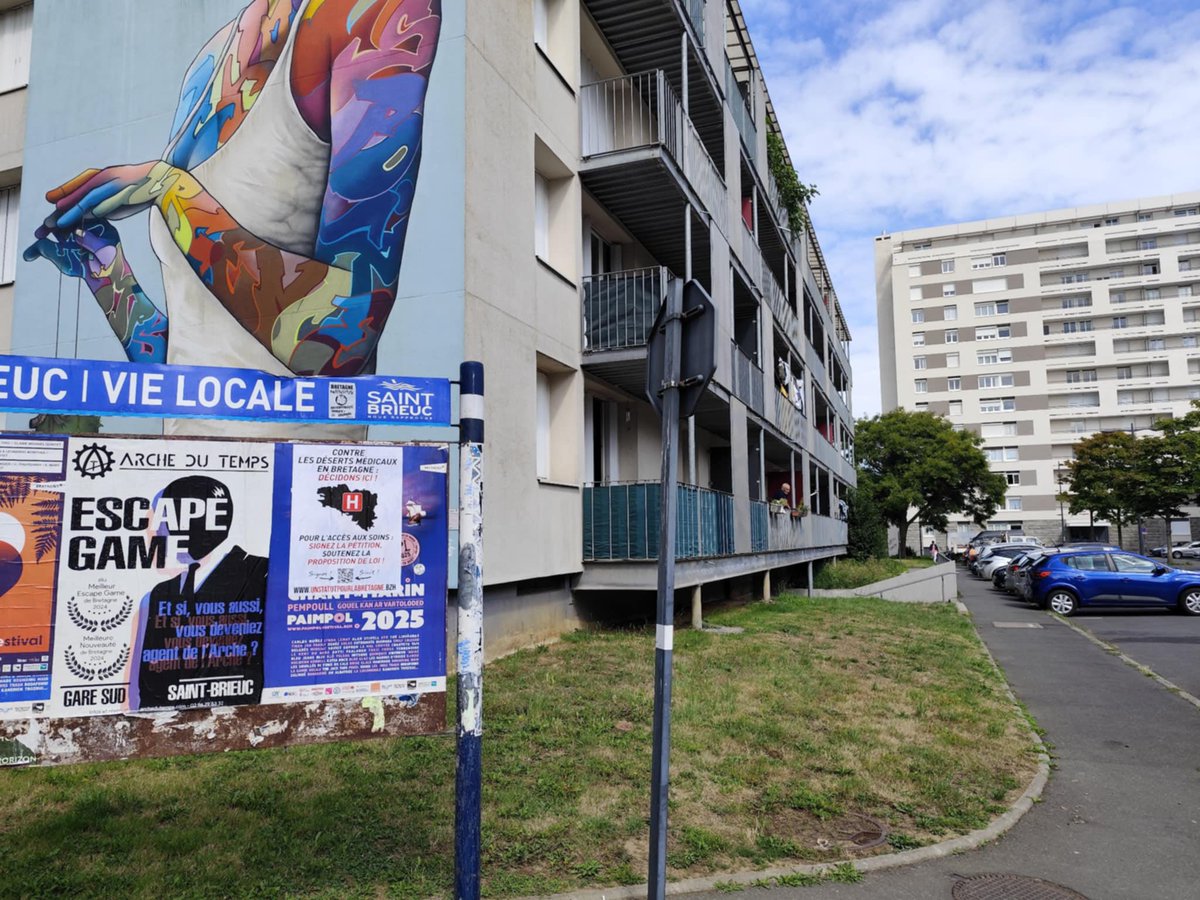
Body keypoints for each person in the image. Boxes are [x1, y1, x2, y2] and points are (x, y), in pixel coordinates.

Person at [24, 0, 442, 436]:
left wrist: (172, 192)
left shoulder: (377, 14)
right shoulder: (208, 63)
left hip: (297, 485)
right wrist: (107, 274)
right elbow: (195, 366)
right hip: (184, 482)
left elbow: (346, 338)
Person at [133, 475, 269, 711]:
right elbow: (148, 683)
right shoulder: (160, 594)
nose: (160, 532)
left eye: (168, 518)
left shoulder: (262, 573)